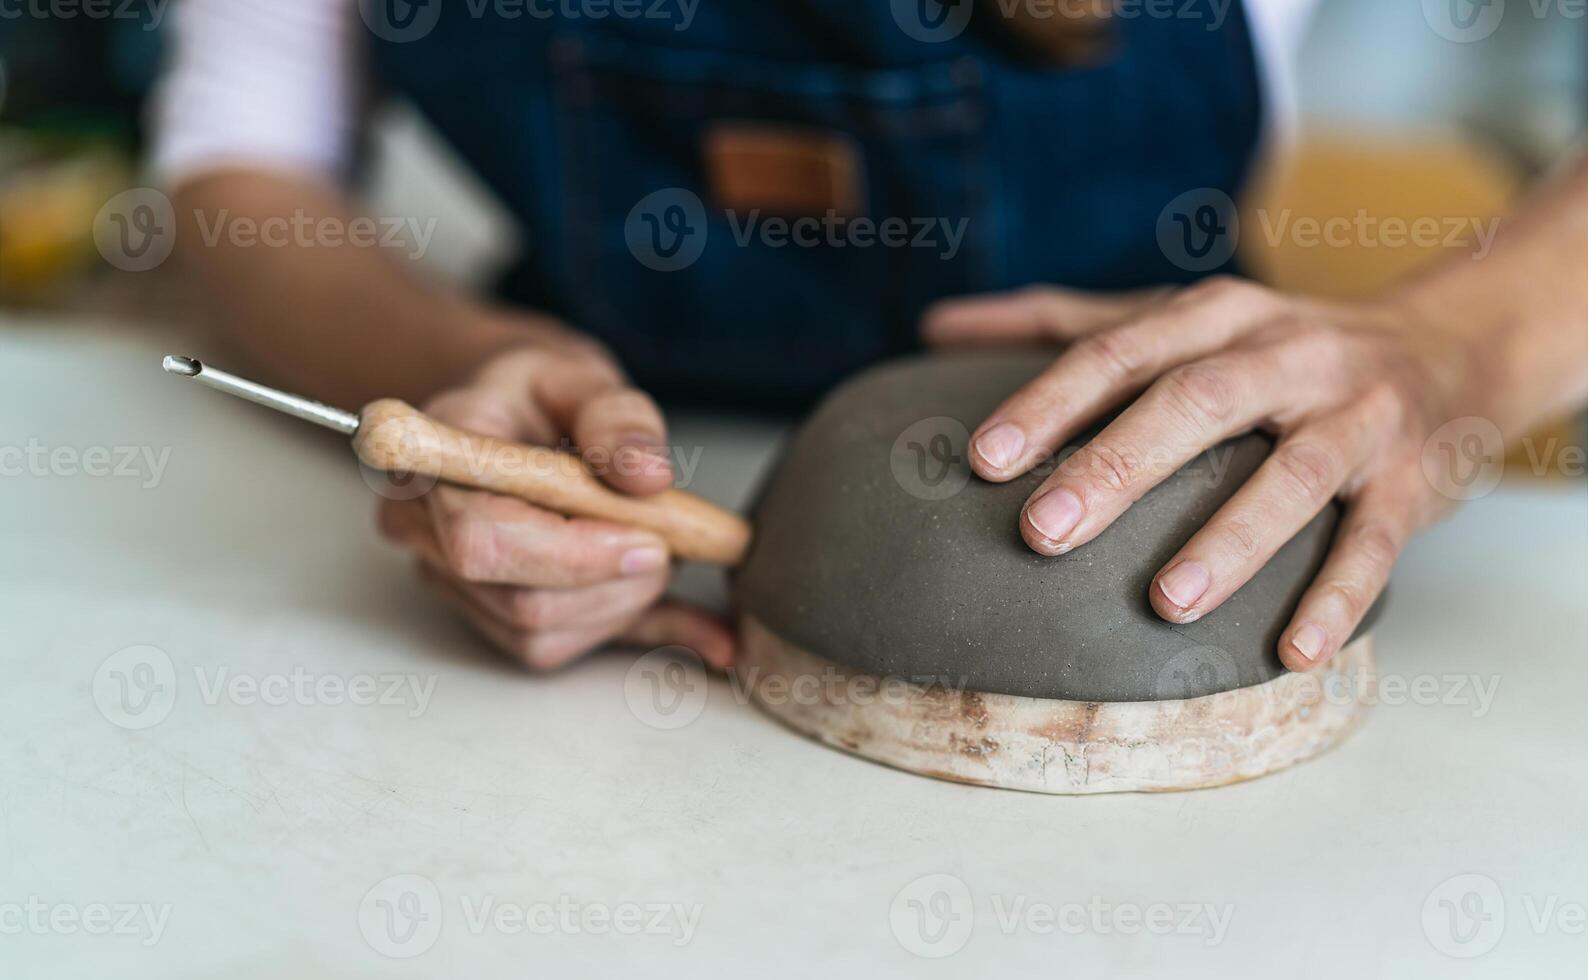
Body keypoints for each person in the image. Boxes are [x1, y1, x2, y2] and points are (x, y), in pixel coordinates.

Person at [154, 0, 1588, 675]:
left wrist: (1453, 350)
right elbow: (242, 164)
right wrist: (452, 374)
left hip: (1188, 495)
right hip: (631, 478)